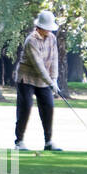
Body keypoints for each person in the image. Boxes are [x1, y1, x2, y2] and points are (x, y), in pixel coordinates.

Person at [14, 10, 61, 151]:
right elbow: (38, 65)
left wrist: (55, 79)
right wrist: (50, 82)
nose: (48, 30)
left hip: (44, 80)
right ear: (39, 27)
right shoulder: (31, 40)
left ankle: (48, 142)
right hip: (26, 78)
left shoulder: (52, 38)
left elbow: (54, 60)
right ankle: (19, 142)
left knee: (48, 107)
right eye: (46, 27)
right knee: (25, 108)